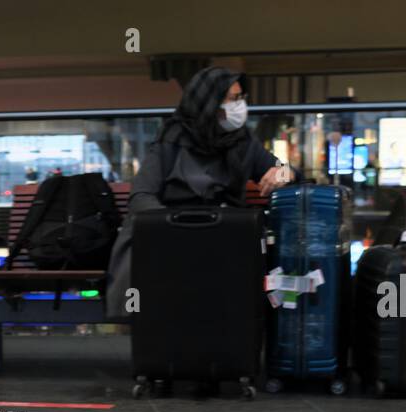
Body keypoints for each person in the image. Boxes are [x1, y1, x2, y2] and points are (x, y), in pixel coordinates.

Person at [106, 67, 297, 318]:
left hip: (224, 229)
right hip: (174, 229)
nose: (239, 106)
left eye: (241, 98)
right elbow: (142, 195)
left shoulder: (243, 141)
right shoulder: (172, 139)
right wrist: (171, 226)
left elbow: (289, 172)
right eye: (232, 99)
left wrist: (281, 173)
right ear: (209, 102)